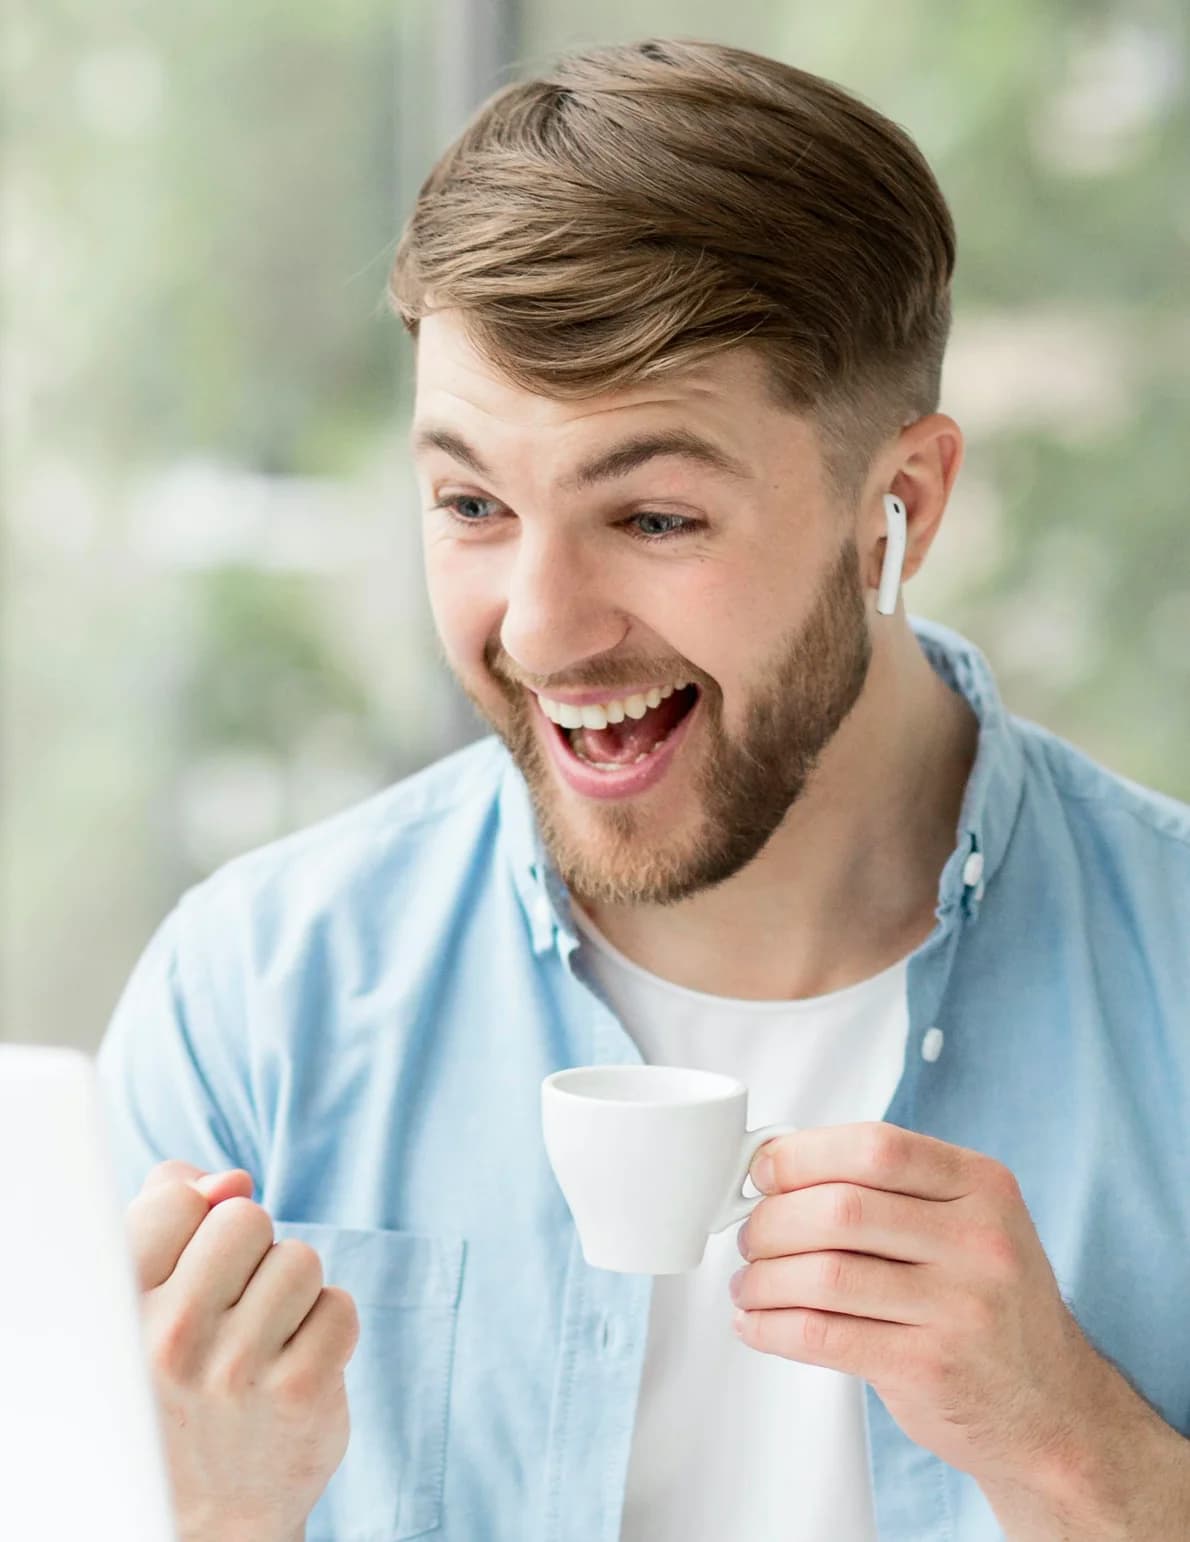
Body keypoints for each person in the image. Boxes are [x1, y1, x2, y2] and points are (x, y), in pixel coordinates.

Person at [97, 37, 1190, 1542]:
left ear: (903, 503)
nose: (538, 627)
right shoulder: (257, 1006)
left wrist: (1075, 1451)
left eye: (655, 512)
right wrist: (198, 1516)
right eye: (471, 502)